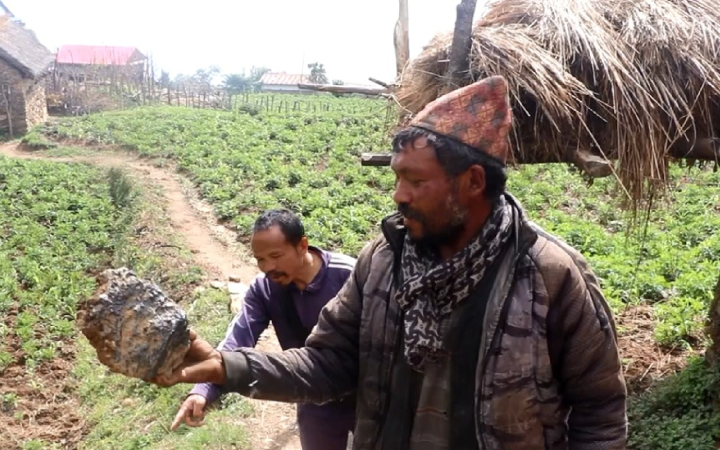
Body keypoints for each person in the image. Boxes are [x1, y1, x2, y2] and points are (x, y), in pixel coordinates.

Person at [154, 76, 628, 450]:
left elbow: (600, 409)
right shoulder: (383, 261)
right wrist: (227, 367)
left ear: (473, 182)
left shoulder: (547, 274)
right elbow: (328, 363)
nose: (399, 195)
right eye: (397, 178)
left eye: (416, 181)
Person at [171, 208, 357, 450]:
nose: (268, 266)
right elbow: (238, 338)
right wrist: (203, 389)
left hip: (366, 395)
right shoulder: (264, 289)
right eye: (260, 259)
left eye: (276, 256)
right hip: (313, 396)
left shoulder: (349, 275)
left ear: (302, 246)